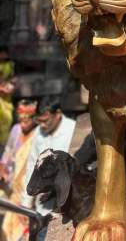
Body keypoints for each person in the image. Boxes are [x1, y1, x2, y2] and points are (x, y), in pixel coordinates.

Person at [21, 96, 75, 241]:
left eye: (46, 120)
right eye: (39, 121)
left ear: (57, 114)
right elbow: (32, 165)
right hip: (41, 204)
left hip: (64, 200)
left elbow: (73, 168)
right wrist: (26, 204)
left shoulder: (72, 130)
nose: (42, 125)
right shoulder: (39, 133)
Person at [1, 100, 38, 241]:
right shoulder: (16, 130)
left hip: (26, 189)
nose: (24, 121)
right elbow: (6, 155)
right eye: (21, 118)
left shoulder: (38, 135)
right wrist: (2, 170)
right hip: (10, 185)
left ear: (34, 117)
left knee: (21, 229)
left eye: (27, 118)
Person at [0, 47, 16, 154]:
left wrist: (11, 86)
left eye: (5, 54)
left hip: (6, 99)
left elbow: (13, 79)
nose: (3, 56)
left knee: (7, 120)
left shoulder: (10, 64)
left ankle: (4, 147)